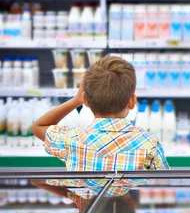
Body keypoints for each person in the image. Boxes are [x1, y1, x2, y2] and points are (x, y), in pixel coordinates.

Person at [32, 56, 169, 171]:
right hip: (129, 202)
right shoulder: (150, 144)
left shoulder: (72, 140)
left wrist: (75, 101)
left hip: (88, 203)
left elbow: (38, 127)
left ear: (85, 100)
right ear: (132, 101)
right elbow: (163, 185)